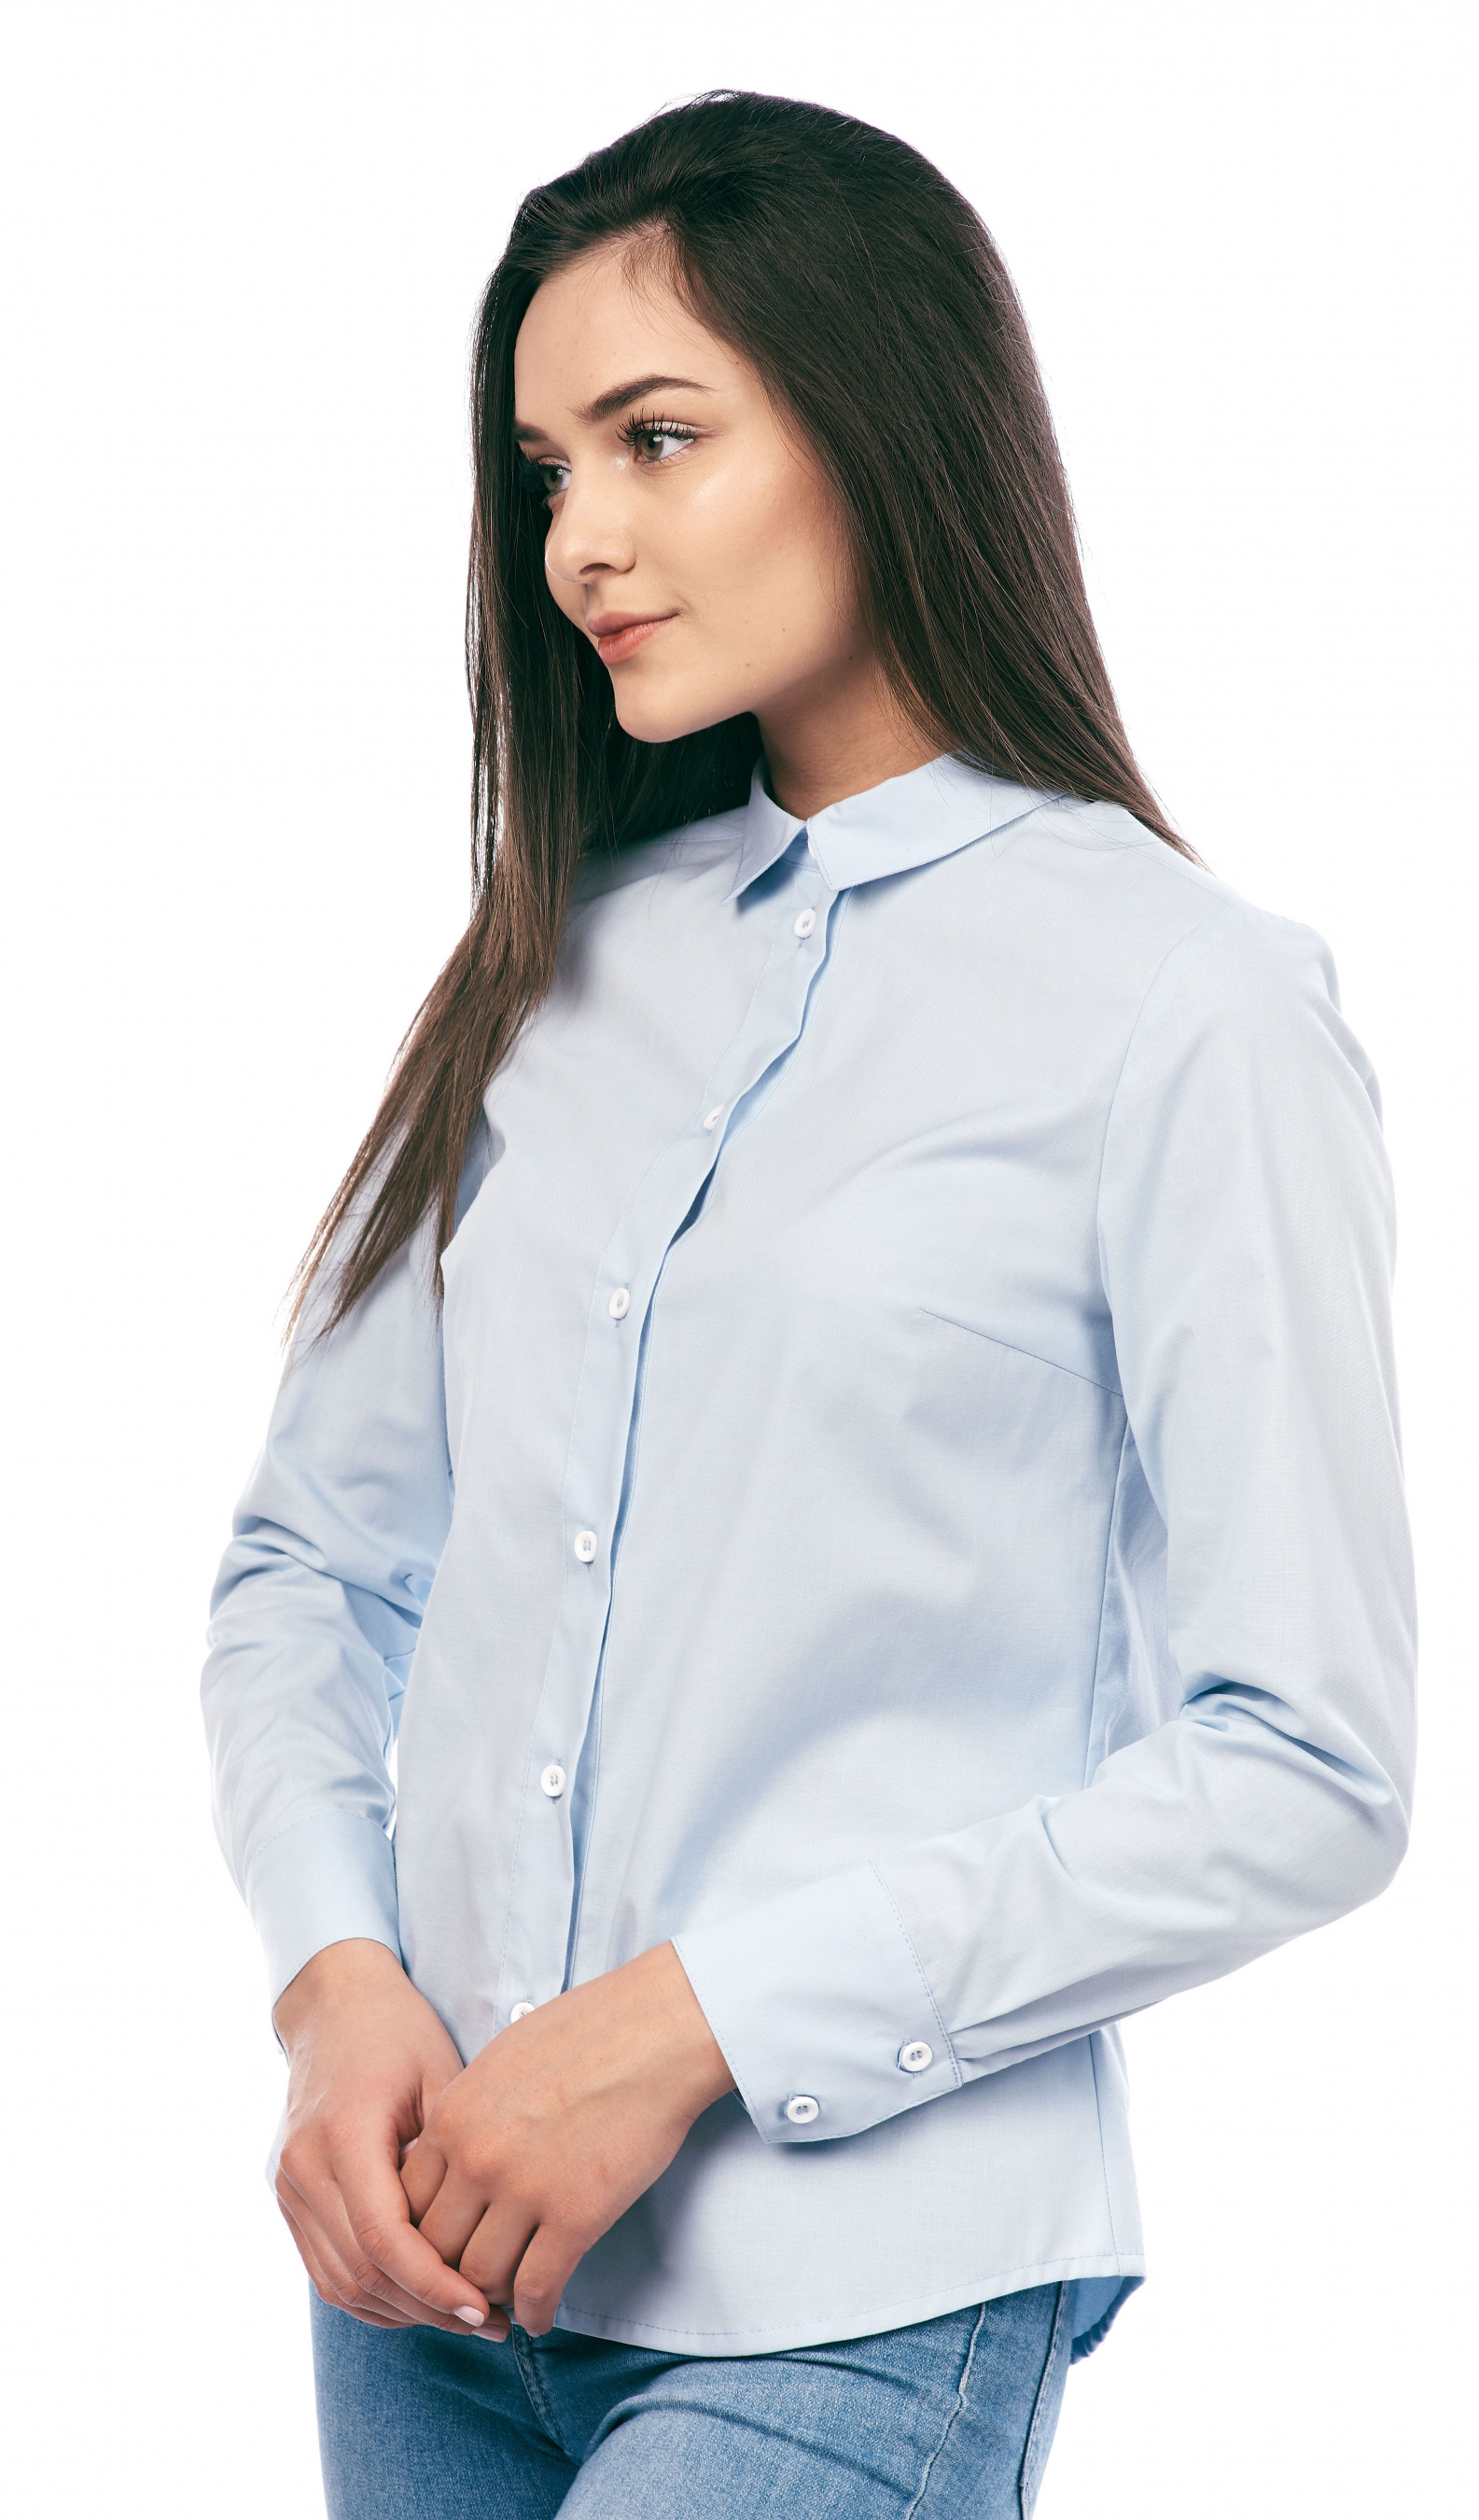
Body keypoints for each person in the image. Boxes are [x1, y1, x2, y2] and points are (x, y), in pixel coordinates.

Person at [202, 90, 1416, 2520]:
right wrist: (335, 1981)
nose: (581, 539)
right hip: (428, 2282)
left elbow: (1307, 1763)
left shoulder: (1185, 1004)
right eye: (548, 467)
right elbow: (313, 1566)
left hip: (862, 2291)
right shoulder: (551, 967)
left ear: (881, 422)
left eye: (657, 438)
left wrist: (689, 2025)